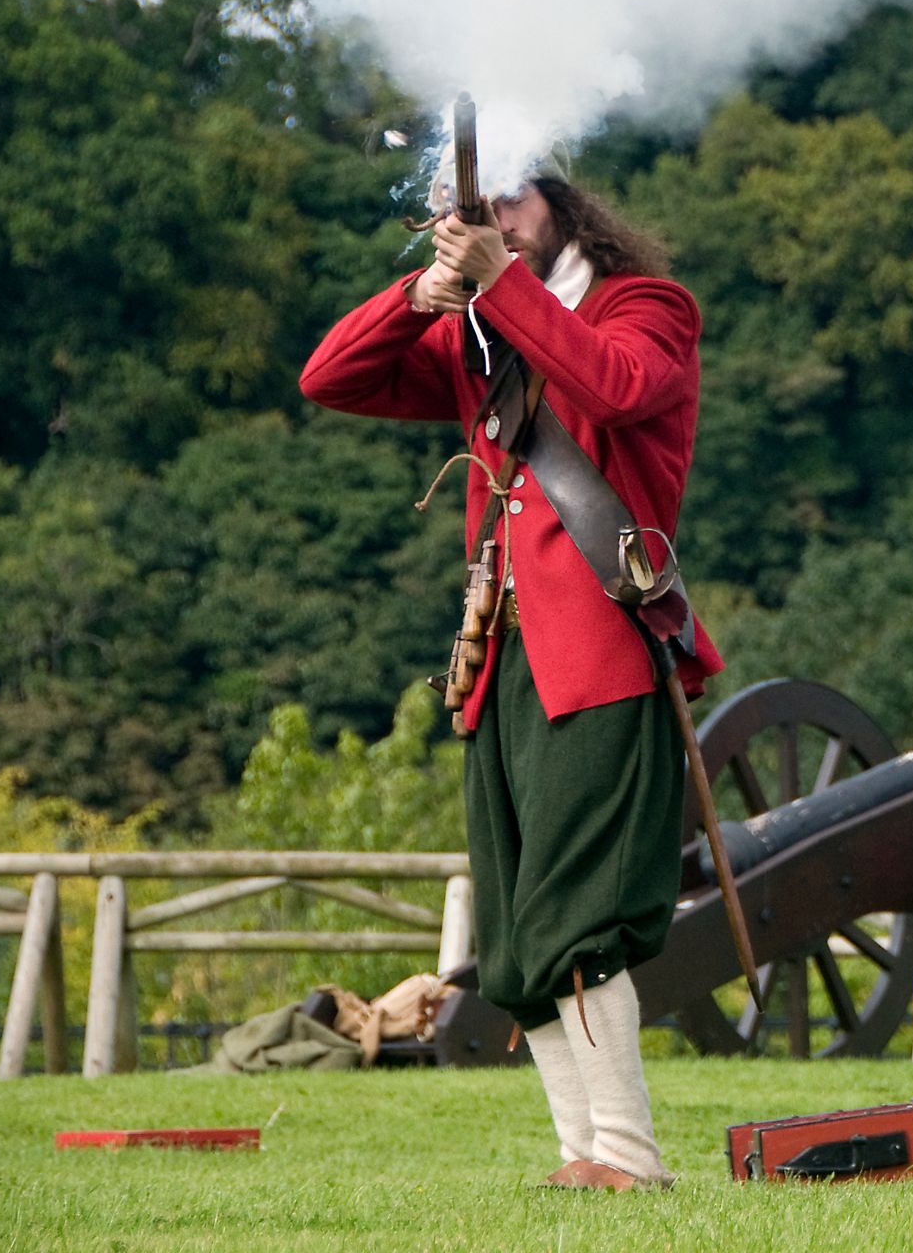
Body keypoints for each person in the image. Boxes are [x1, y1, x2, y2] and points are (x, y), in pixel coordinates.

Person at [300, 154, 720, 1191]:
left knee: (578, 917)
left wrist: (500, 281)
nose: (492, 219)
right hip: (499, 659)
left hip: (603, 654)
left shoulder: (647, 306)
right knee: (519, 933)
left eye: (510, 201)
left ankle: (629, 1155)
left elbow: (616, 385)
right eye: (472, 211)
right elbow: (330, 378)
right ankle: (584, 1153)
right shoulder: (482, 338)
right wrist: (424, 292)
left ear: (560, 200)